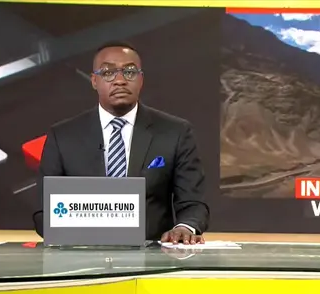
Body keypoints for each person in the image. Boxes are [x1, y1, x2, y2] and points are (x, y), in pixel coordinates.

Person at [32, 41, 209, 244]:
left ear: (141, 79)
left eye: (129, 72)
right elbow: (44, 211)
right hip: (82, 253)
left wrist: (184, 227)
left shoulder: (175, 132)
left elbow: (193, 203)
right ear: (94, 81)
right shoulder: (63, 136)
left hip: (151, 254)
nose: (119, 80)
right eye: (108, 73)